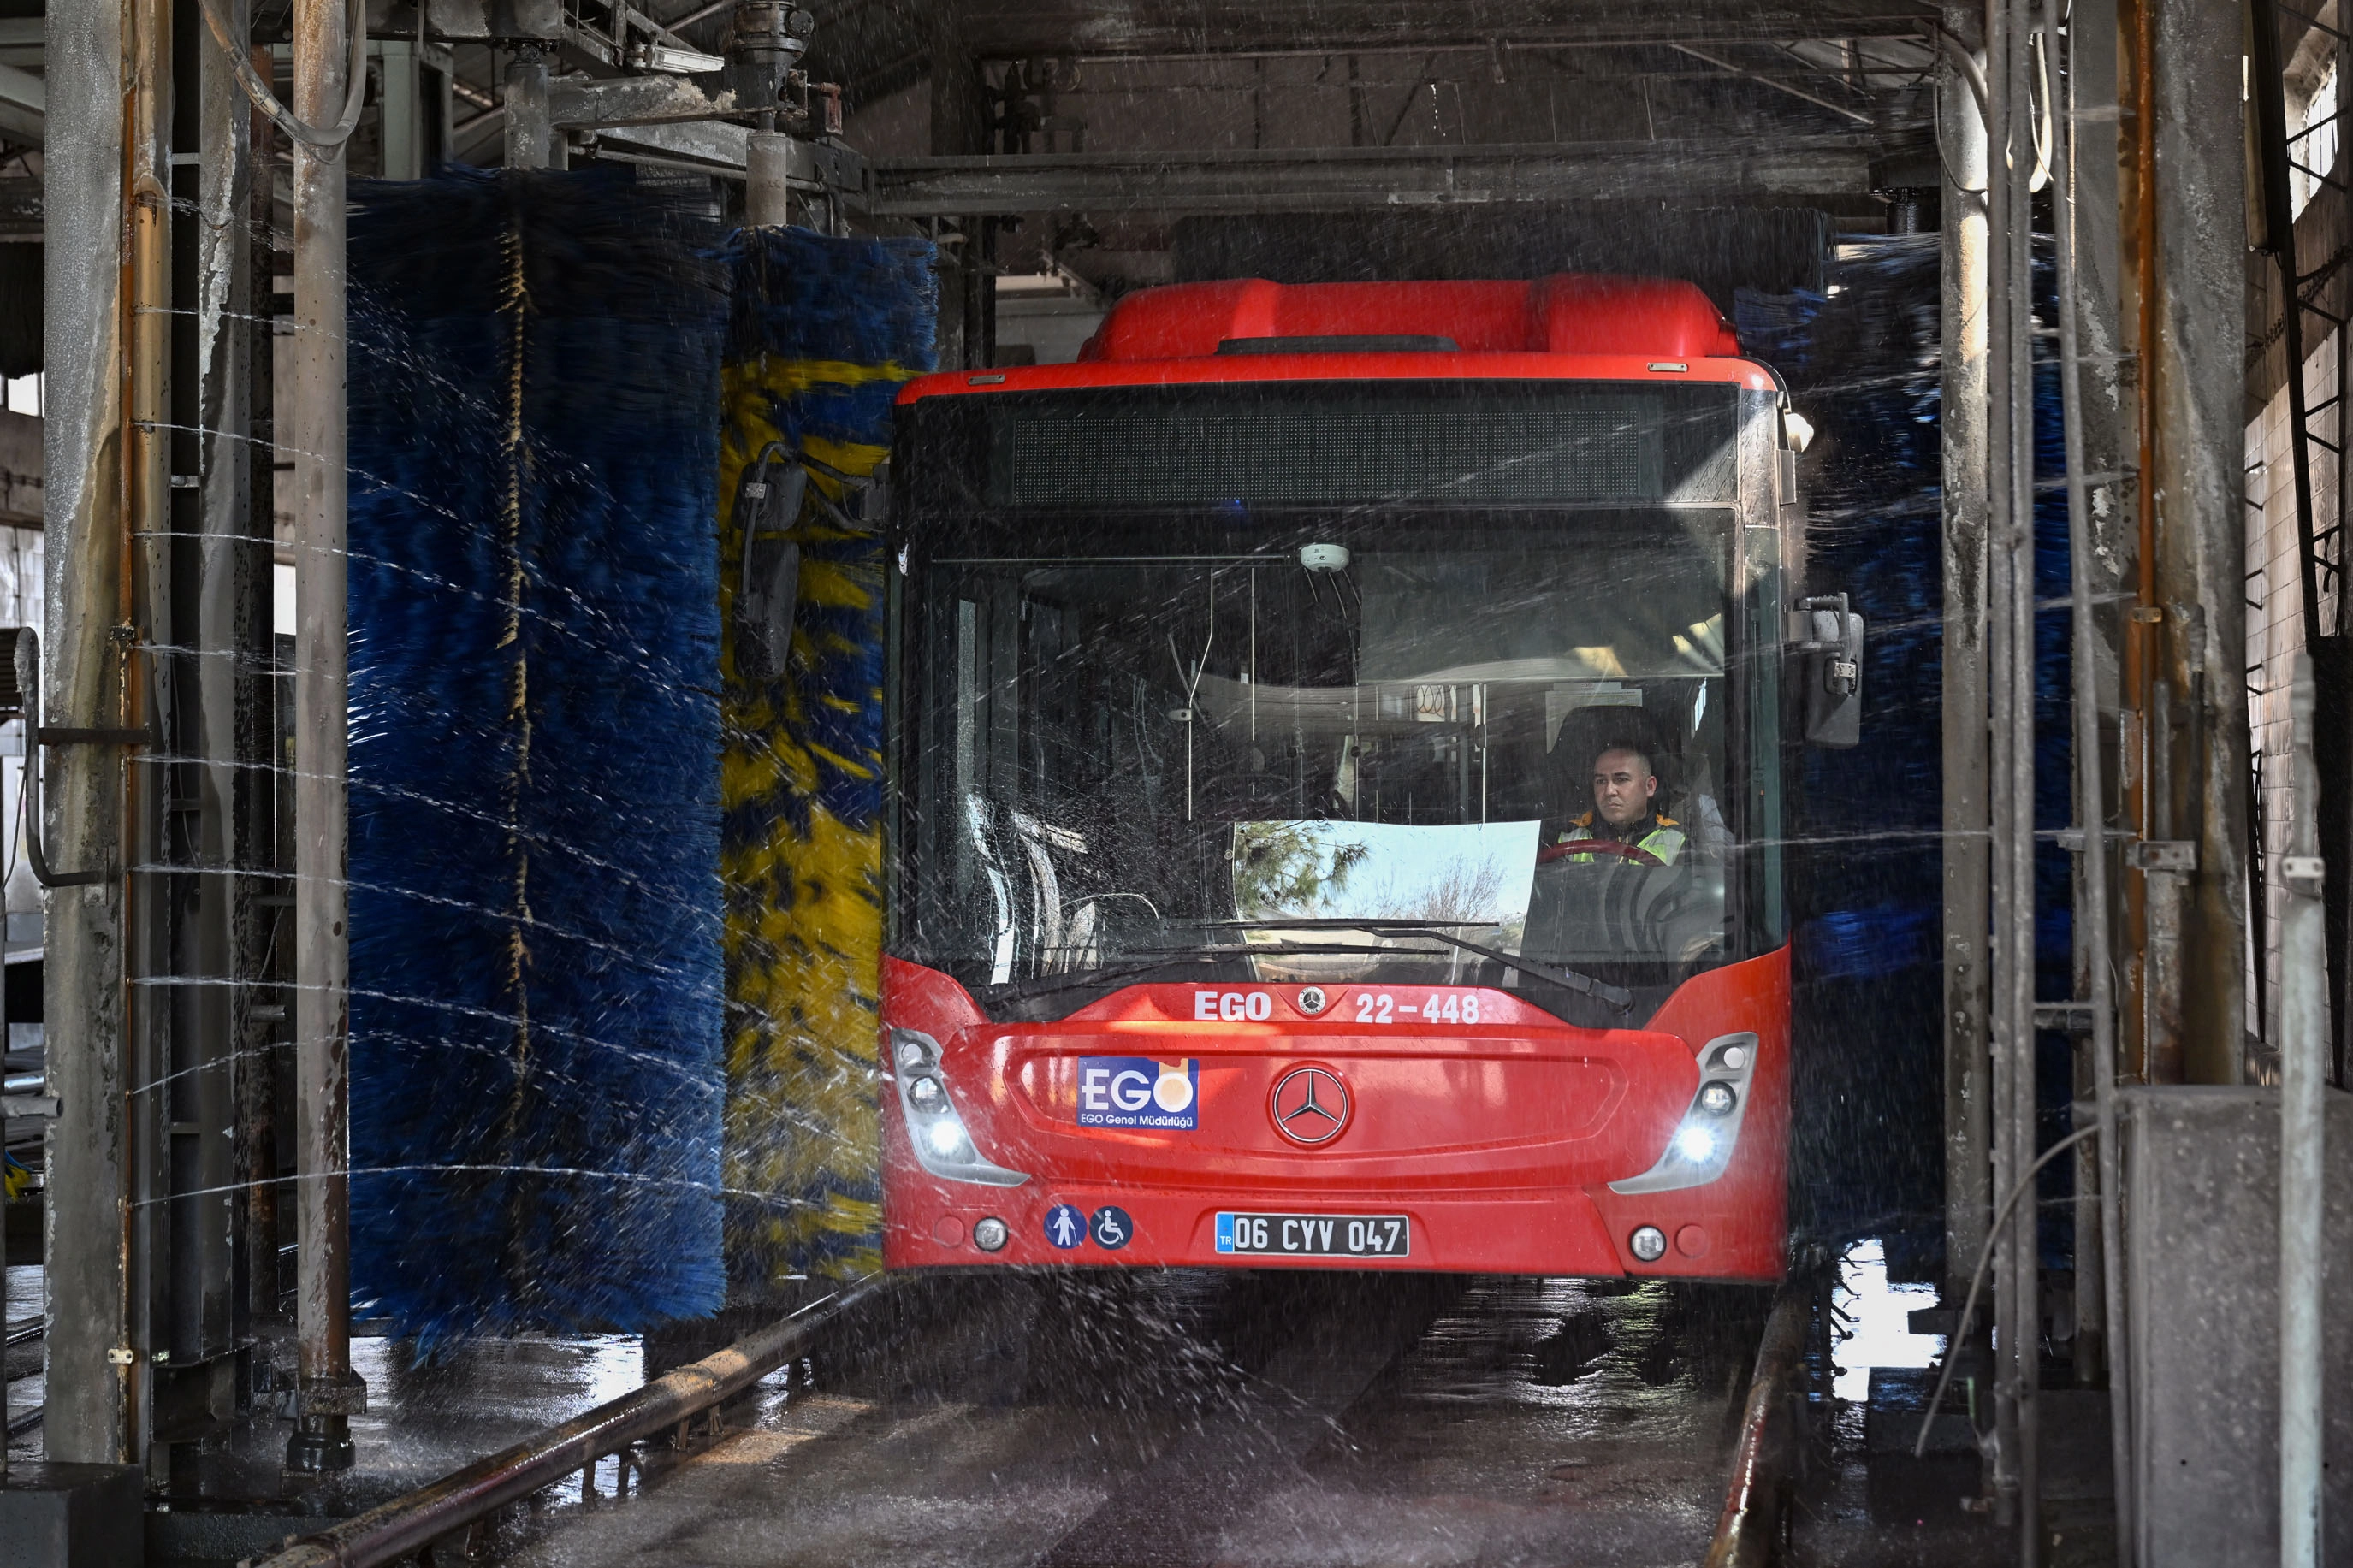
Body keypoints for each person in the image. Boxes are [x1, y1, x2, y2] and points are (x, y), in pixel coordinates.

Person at [1546, 743, 1686, 866]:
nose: (1609, 791)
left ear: (1649, 787)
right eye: (1601, 781)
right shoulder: (1568, 839)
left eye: (1621, 779)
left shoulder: (1678, 843)